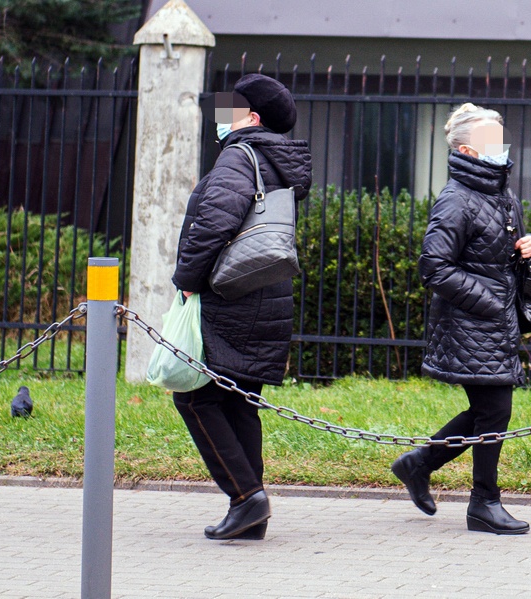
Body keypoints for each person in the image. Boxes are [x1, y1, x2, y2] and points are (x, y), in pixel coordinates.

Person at [391, 103, 531, 535]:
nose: (500, 147)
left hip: (493, 321)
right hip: (470, 321)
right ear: (467, 150)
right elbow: (434, 266)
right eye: (490, 140)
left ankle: (419, 465)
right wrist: (491, 302)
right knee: (494, 409)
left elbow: (499, 255)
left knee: (488, 411)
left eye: (501, 137)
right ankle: (483, 503)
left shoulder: (501, 195)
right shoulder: (456, 199)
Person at [171, 74, 312, 540]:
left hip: (230, 300)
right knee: (239, 401)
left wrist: (187, 280)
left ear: (251, 118)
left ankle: (245, 497)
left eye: (231, 108)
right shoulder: (276, 159)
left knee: (194, 397)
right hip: (266, 297)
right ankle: (252, 511)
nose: (221, 116)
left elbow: (214, 223)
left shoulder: (239, 154)